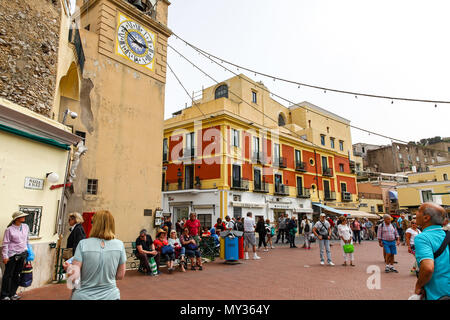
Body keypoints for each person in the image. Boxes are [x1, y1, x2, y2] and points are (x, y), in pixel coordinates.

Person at [63, 210, 127, 300]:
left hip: (84, 296)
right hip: (111, 295)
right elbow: (120, 275)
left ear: (95, 225)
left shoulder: (83, 244)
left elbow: (74, 278)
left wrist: (69, 268)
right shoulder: (119, 245)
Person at [413, 203, 450, 300]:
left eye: (419, 210)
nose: (416, 213)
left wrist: (418, 286)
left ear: (426, 218)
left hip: (438, 293)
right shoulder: (447, 235)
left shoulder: (423, 238)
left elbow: (428, 268)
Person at [1, 211, 30, 300]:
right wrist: (5, 256)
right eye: (22, 216)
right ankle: (4, 295)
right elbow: (5, 243)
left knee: (17, 274)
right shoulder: (9, 230)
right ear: (16, 219)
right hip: (12, 255)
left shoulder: (25, 227)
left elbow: (27, 240)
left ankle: (13, 293)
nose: (24, 217)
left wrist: (28, 251)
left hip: (22, 254)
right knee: (8, 275)